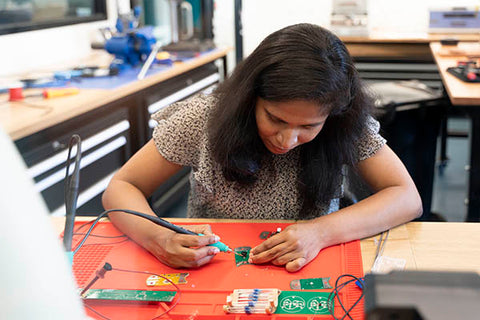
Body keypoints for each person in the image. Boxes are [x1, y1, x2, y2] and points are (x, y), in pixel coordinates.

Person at [102, 23, 422, 272]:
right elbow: (121, 187)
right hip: (214, 266)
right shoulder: (204, 119)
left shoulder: (346, 124)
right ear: (251, 97)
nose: (287, 140)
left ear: (332, 115)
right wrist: (158, 238)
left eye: (309, 127)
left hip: (312, 263)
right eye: (275, 118)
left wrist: (320, 233)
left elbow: (406, 197)